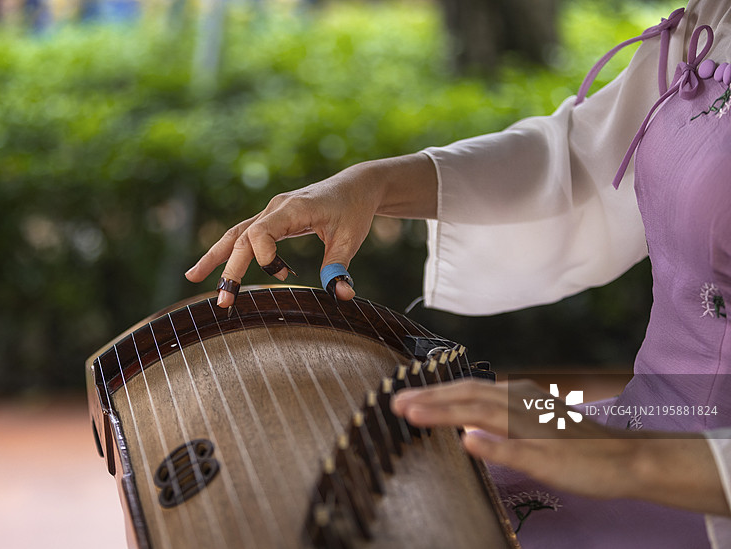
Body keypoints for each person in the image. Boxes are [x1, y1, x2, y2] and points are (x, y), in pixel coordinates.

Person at [186, 1, 731, 546]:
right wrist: (369, 185)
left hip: (696, 482)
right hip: (641, 422)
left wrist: (629, 459)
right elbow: (583, 153)